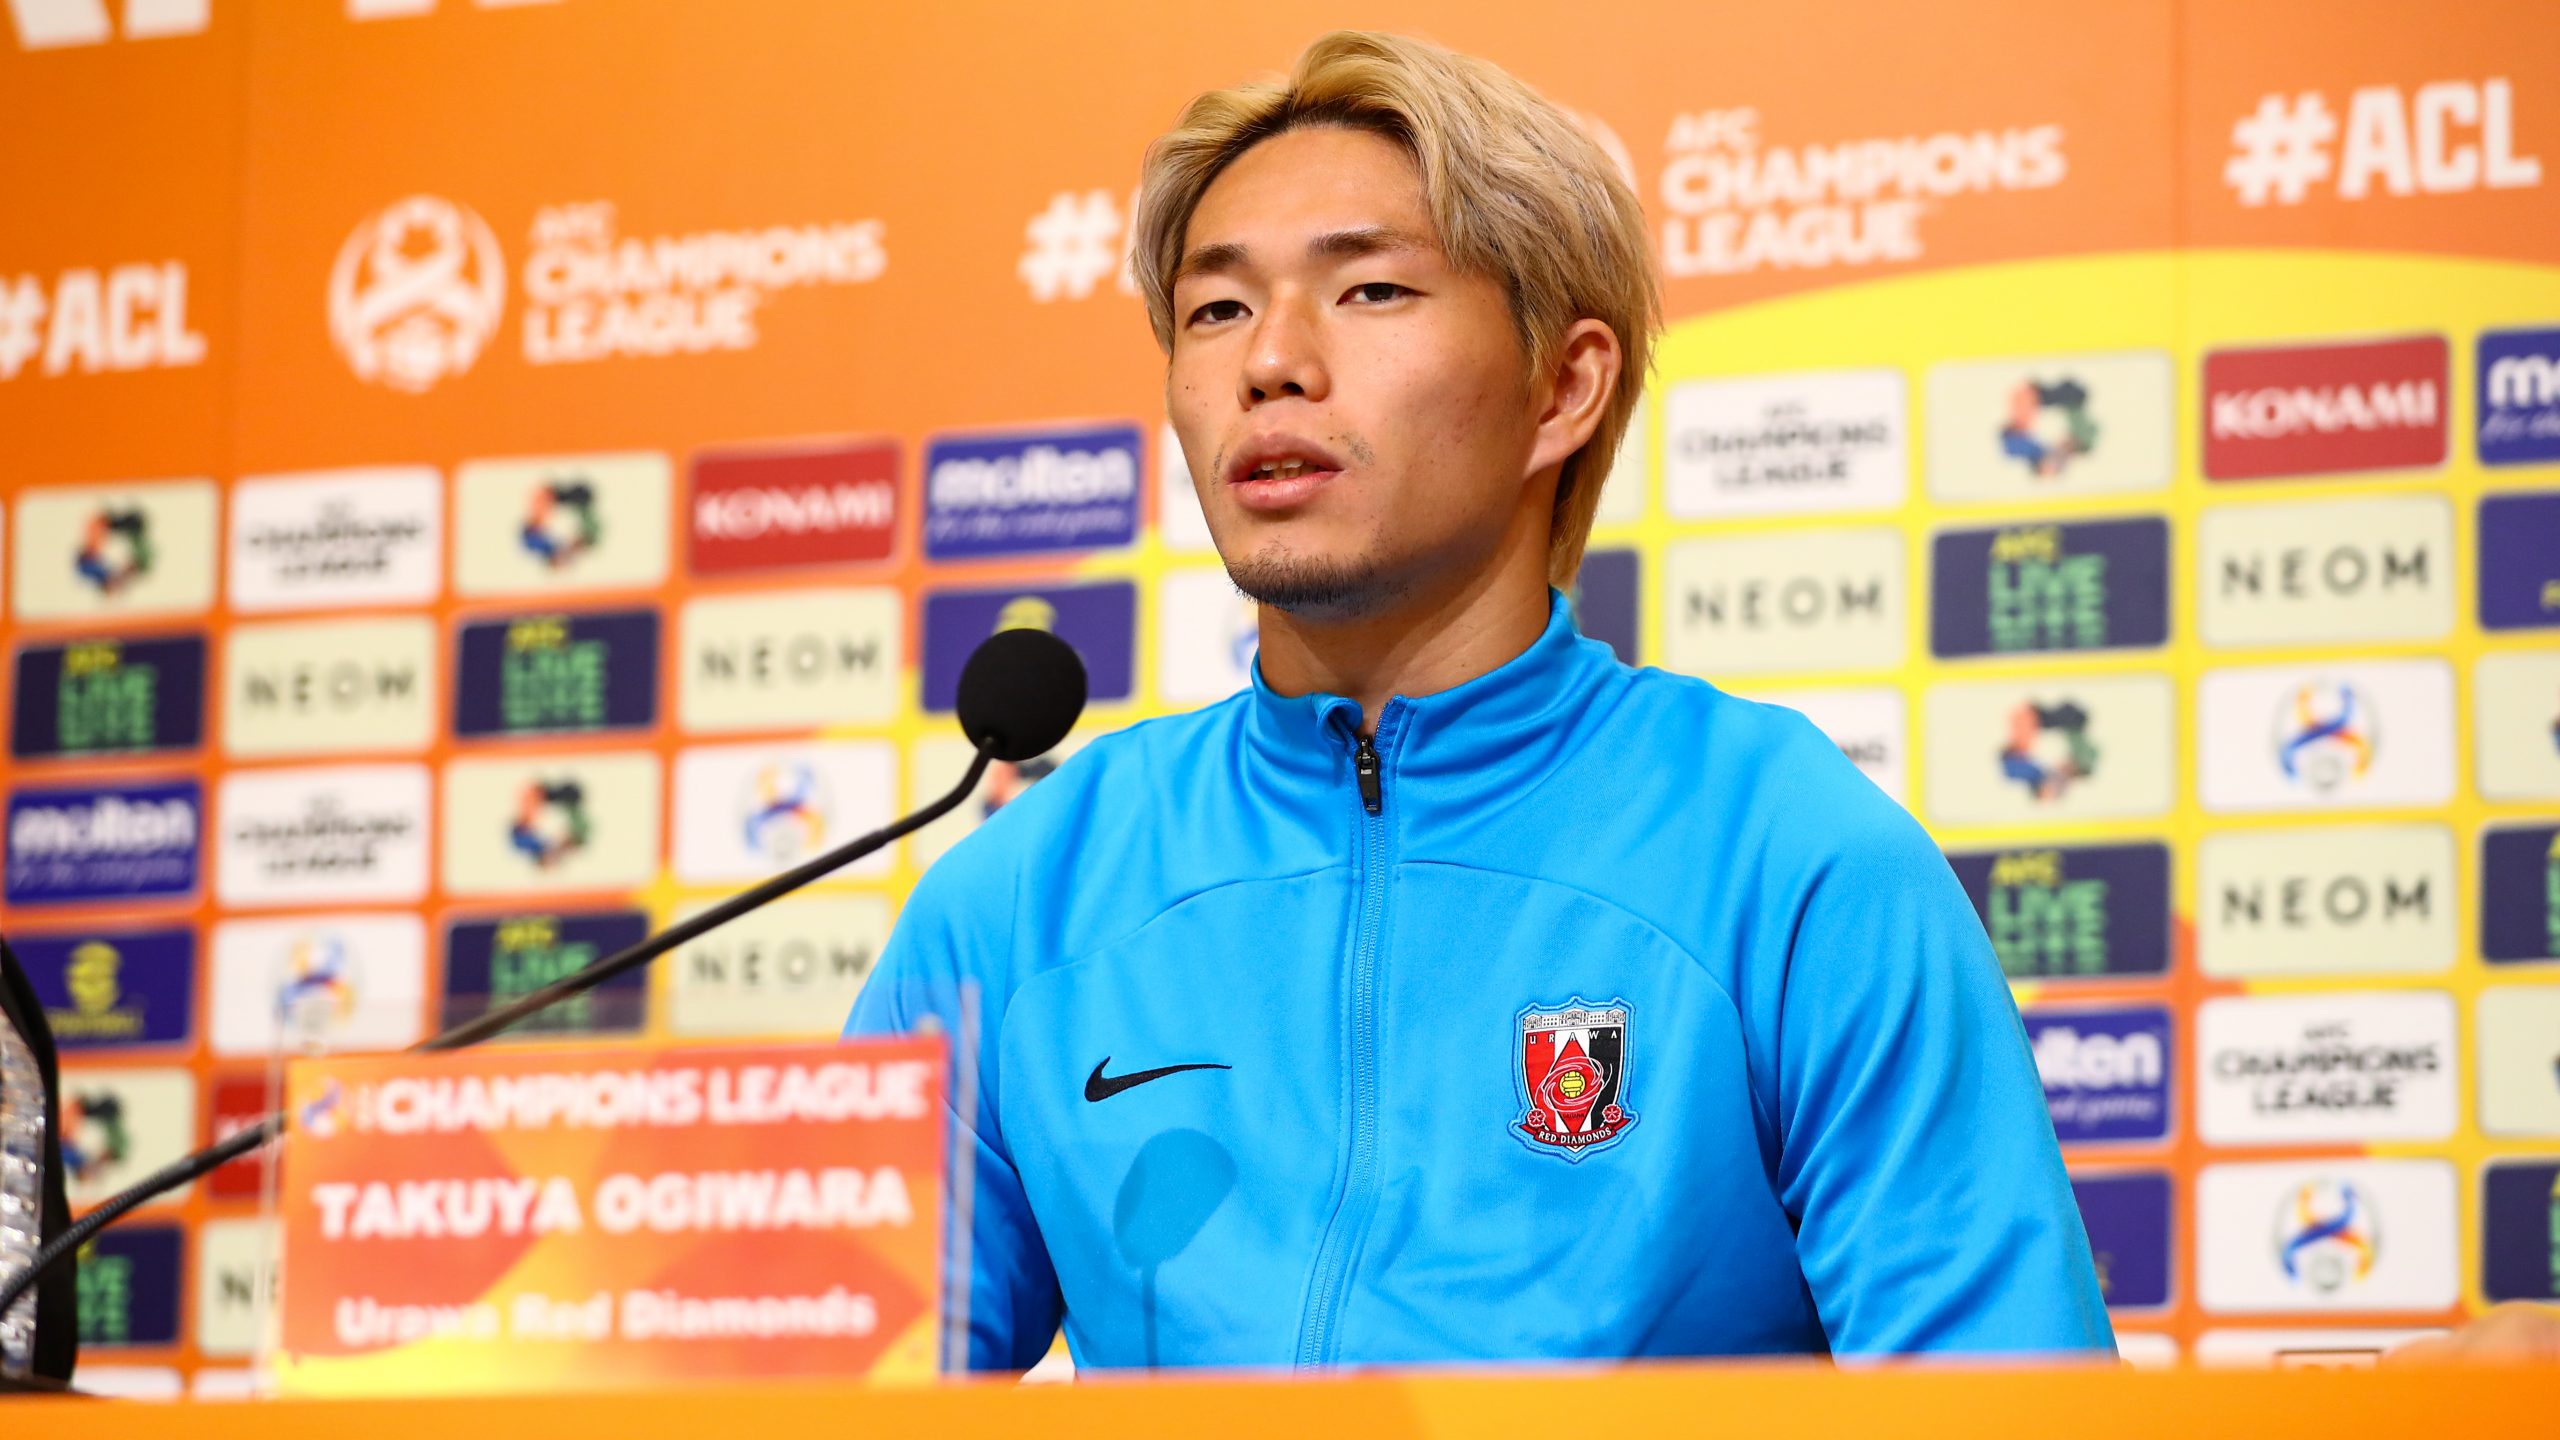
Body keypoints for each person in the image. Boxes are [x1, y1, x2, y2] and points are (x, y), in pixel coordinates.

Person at [846, 29, 2114, 1370]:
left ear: (1565, 388)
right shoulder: (1025, 899)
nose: (1269, 361)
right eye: (1216, 309)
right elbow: (834, 1400)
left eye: (1372, 292)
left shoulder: (1789, 859)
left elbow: (2003, 1390)